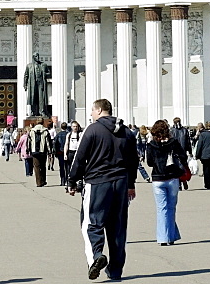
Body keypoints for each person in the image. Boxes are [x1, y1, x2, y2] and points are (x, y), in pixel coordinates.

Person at [68, 98, 138, 282]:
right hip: (121, 182)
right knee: (118, 227)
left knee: (92, 222)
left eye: (92, 111)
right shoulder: (127, 132)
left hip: (98, 182)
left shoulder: (92, 130)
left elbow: (79, 157)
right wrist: (131, 184)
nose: (90, 114)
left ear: (99, 110)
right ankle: (115, 270)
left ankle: (95, 257)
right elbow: (133, 160)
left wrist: (72, 180)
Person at [146, 119, 188, 246]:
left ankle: (163, 238)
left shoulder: (151, 145)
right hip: (172, 178)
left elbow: (149, 162)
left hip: (158, 178)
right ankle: (170, 237)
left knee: (161, 209)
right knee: (171, 208)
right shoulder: (173, 143)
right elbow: (183, 156)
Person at [28, 120, 52, 187]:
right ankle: (43, 180)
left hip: (34, 151)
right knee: (43, 166)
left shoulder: (32, 131)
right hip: (43, 151)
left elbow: (29, 141)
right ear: (43, 122)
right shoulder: (45, 131)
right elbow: (48, 142)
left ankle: (38, 182)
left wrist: (28, 150)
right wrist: (50, 151)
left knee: (36, 167)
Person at [170, 119, 192, 189]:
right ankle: (184, 180)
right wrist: (190, 151)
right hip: (183, 151)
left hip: (175, 152)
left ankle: (179, 183)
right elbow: (188, 142)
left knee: (176, 168)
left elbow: (170, 141)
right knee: (183, 167)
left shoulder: (172, 130)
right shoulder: (184, 130)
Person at [55, 122, 70, 186]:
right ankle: (67, 180)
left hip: (60, 152)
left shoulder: (58, 134)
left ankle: (62, 181)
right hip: (68, 152)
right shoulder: (68, 134)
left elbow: (55, 144)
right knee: (67, 167)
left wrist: (55, 152)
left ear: (61, 127)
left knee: (61, 167)